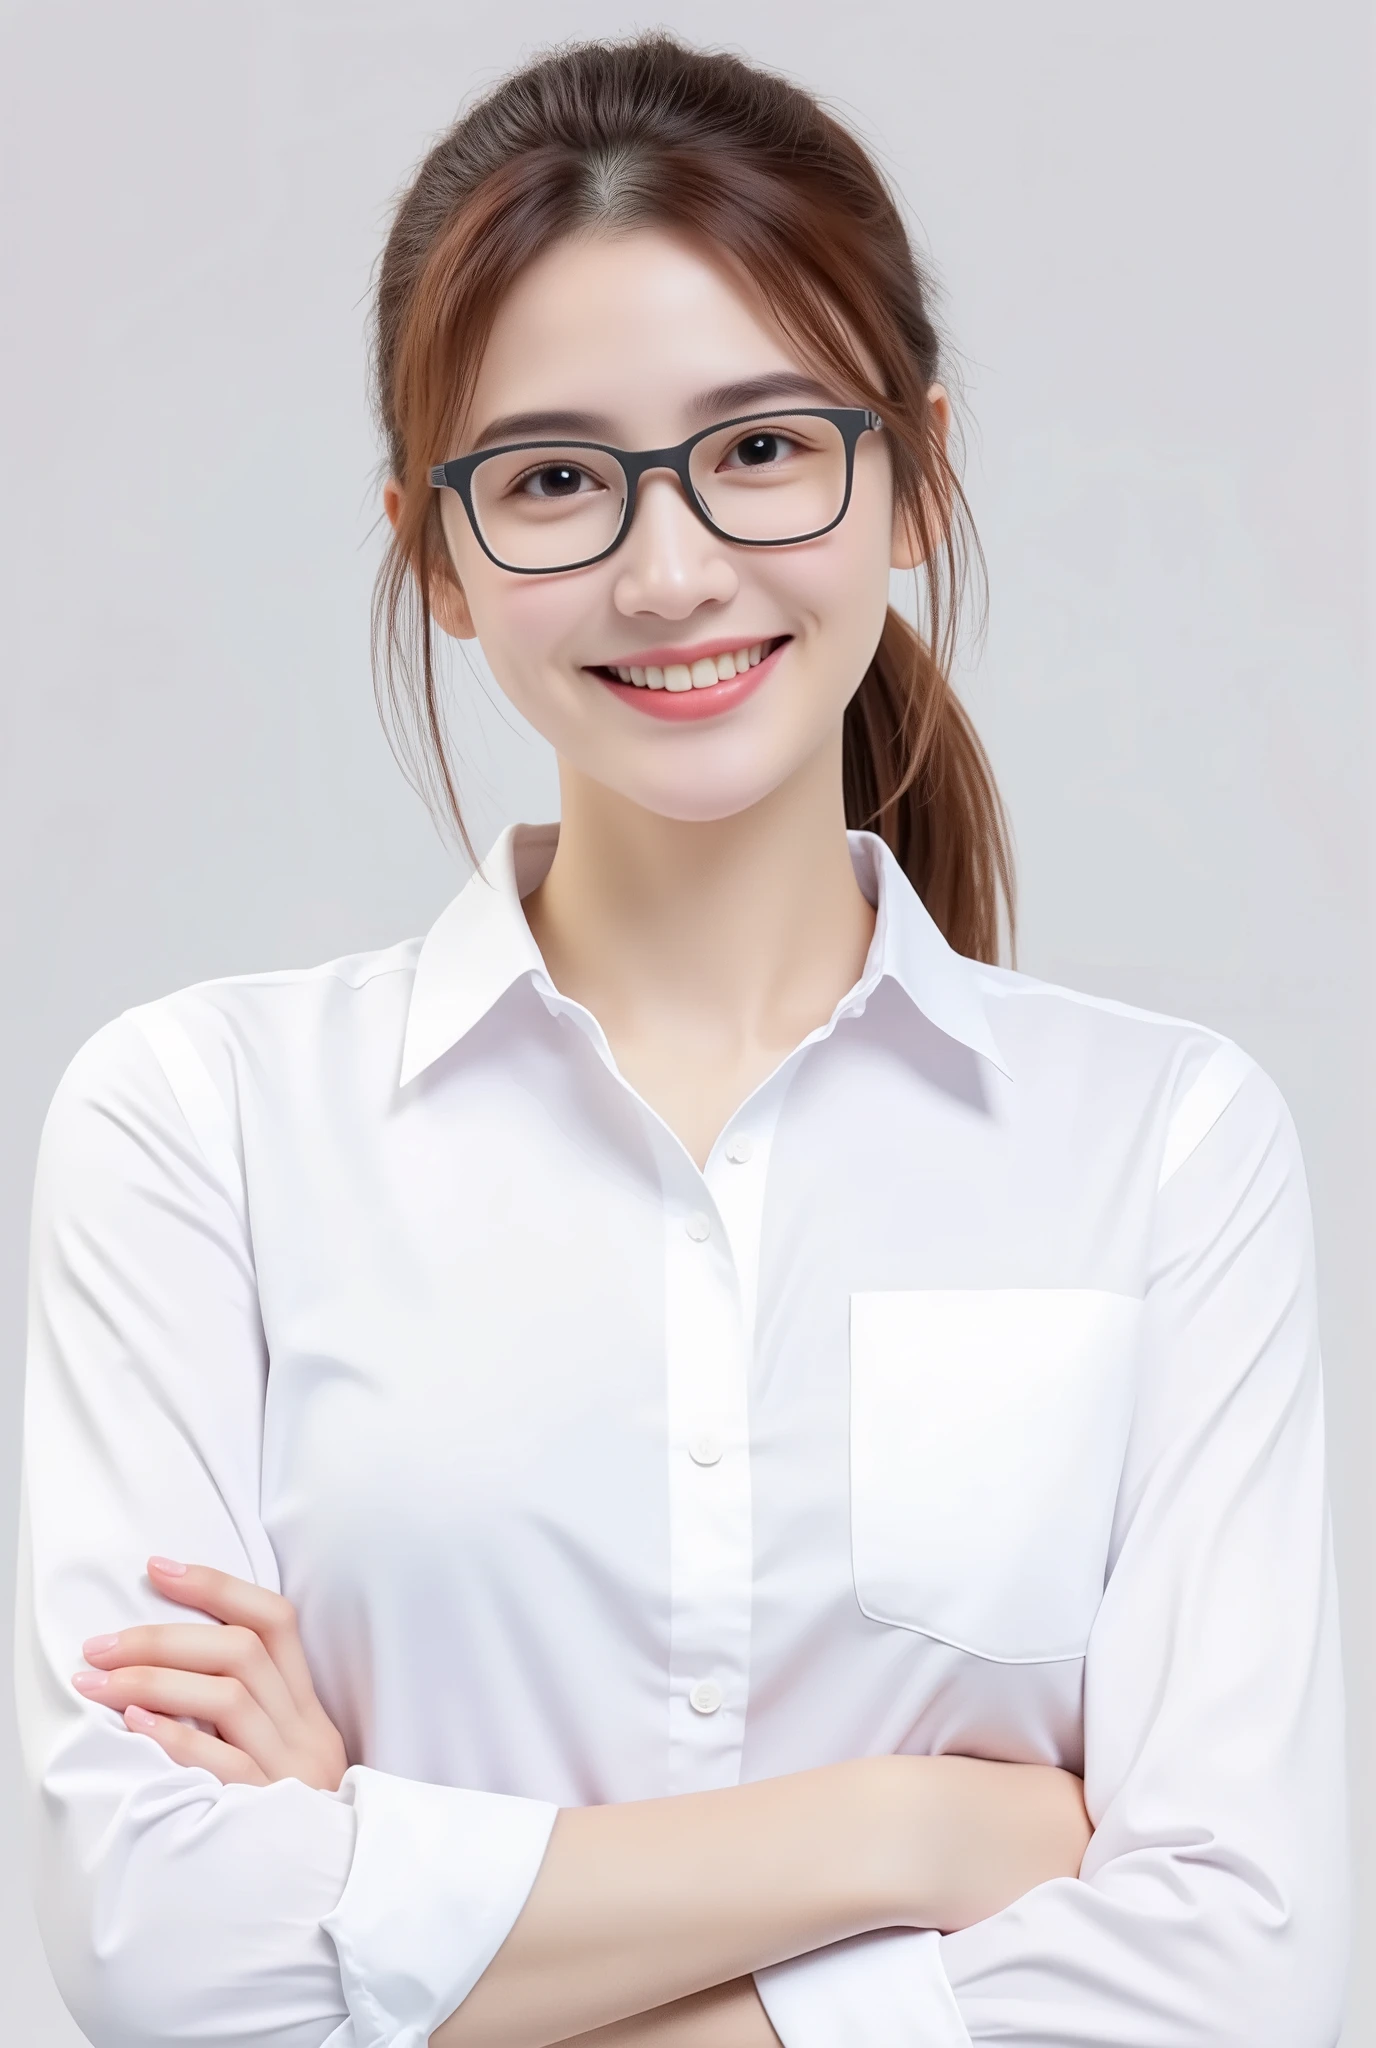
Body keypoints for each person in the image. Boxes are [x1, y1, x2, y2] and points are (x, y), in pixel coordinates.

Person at [15, 31, 1347, 2048]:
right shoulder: (199, 1127)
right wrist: (920, 1833)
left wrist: (388, 1882)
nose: (665, 566)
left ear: (911, 476)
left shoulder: (1159, 1145)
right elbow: (159, 1955)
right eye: (552, 477)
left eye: (759, 445)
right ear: (434, 553)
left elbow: (1239, 1973)